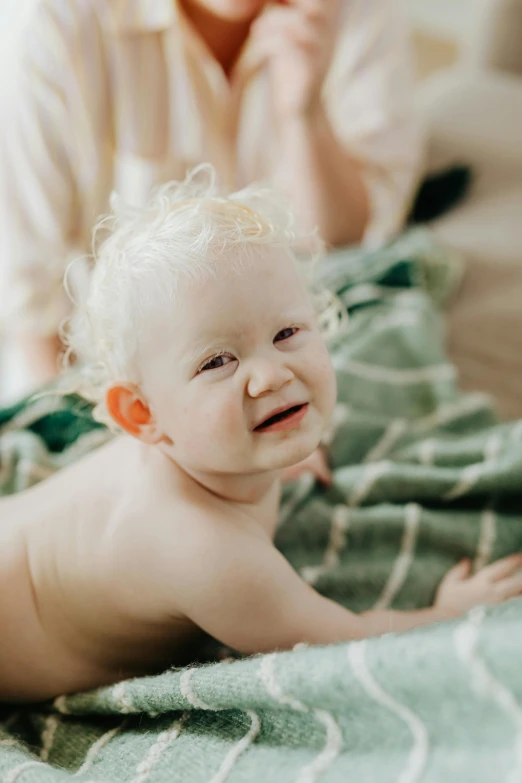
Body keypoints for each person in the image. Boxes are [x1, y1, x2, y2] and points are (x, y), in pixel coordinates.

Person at [1, 167, 521, 704]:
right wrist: (446, 614)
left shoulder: (203, 448)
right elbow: (346, 642)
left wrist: (273, 455)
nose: (271, 375)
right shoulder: (208, 552)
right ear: (141, 416)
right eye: (218, 361)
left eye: (287, 332)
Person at [0, 0, 423, 394]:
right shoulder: (53, 27)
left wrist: (304, 113)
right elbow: (33, 305)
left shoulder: (357, 13)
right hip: (104, 378)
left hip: (292, 348)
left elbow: (347, 245)